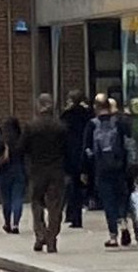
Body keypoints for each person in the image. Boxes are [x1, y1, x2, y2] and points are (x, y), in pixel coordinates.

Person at [84, 93, 132, 248]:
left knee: (108, 201)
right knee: (121, 197)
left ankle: (113, 236)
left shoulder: (92, 124)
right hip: (119, 167)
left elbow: (87, 149)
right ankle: (123, 221)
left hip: (101, 168)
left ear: (97, 108)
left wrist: (85, 170)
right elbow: (128, 144)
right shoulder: (119, 123)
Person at [21, 93, 67, 253]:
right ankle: (52, 239)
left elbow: (22, 148)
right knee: (55, 207)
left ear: (39, 106)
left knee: (36, 203)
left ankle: (40, 235)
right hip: (56, 171)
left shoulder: (31, 126)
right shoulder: (60, 126)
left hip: (37, 171)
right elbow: (66, 150)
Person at [61, 89, 91, 228]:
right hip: (85, 153)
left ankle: (73, 215)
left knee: (72, 186)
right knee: (80, 185)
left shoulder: (67, 115)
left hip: (70, 154)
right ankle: (77, 212)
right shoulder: (88, 115)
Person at [0, 116, 26, 234]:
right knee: (17, 198)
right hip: (19, 170)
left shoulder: (1, 141)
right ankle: (16, 224)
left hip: (4, 172)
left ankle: (7, 222)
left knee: (6, 199)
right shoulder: (21, 140)